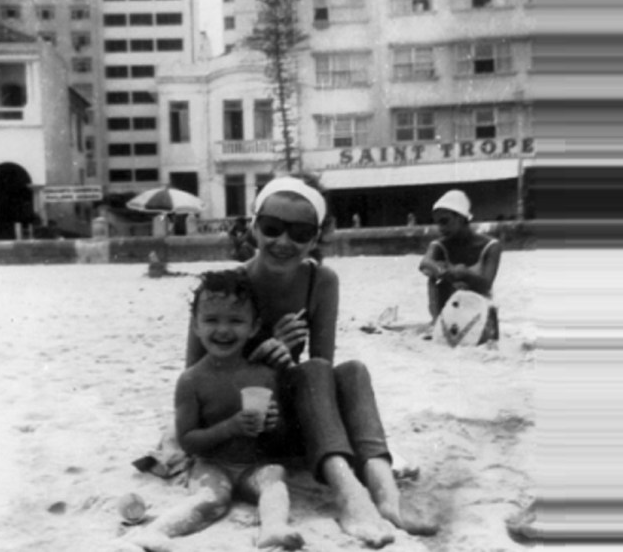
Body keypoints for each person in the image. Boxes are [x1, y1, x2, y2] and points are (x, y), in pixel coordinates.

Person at [186, 175, 439, 548]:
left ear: (316, 238)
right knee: (317, 370)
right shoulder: (226, 286)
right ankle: (350, 495)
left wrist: (284, 360)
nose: (283, 242)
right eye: (272, 228)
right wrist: (262, 356)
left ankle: (386, 494)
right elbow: (194, 382)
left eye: (300, 233)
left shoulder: (321, 281)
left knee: (351, 371)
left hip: (297, 422)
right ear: (254, 227)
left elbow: (320, 372)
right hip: (246, 424)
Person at [127, 269, 304, 552]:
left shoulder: (265, 375)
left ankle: (273, 529)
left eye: (236, 320)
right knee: (213, 498)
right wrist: (230, 427)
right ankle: (155, 532)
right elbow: (188, 441)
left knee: (274, 477)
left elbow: (278, 437)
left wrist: (273, 424)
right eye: (211, 320)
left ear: (254, 327)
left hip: (253, 465)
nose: (223, 330)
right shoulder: (191, 380)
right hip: (211, 463)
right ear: (196, 326)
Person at [418, 190, 502, 327]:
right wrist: (444, 272)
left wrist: (465, 275)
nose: (440, 228)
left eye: (444, 221)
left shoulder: (491, 246)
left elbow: (486, 285)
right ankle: (437, 321)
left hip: (478, 312)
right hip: (448, 313)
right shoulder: (439, 245)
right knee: (433, 275)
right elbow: (424, 263)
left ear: (461, 218)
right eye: (438, 223)